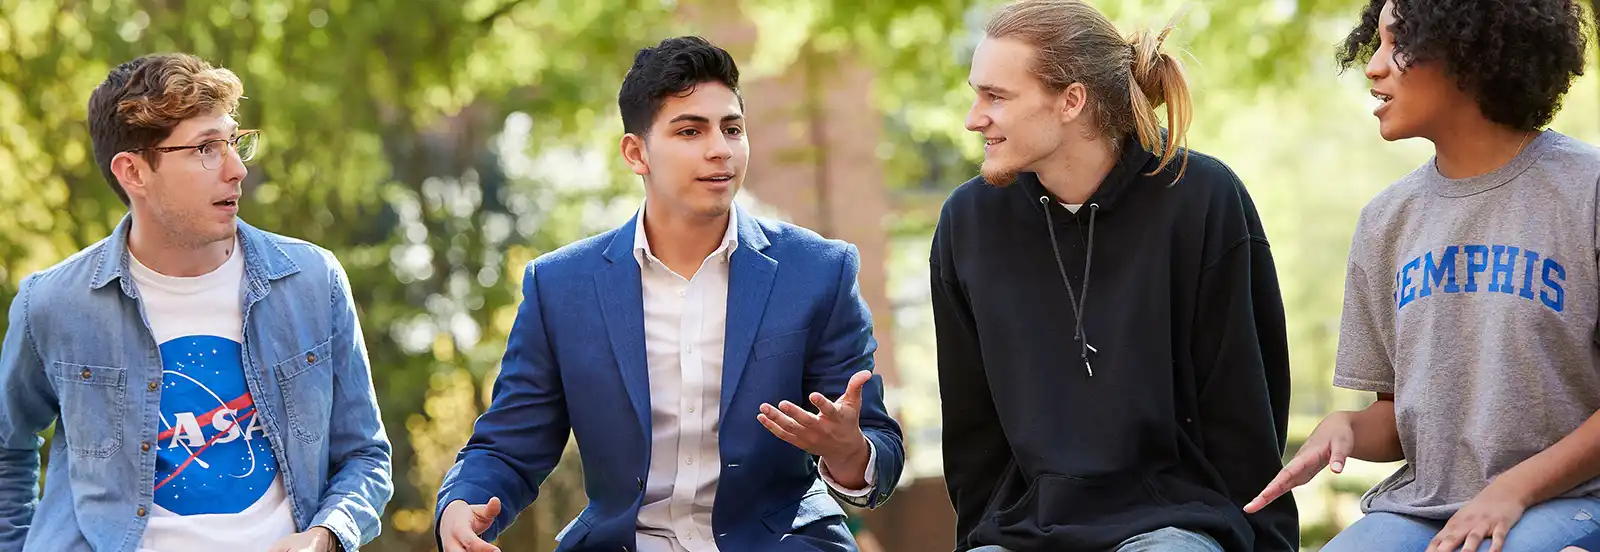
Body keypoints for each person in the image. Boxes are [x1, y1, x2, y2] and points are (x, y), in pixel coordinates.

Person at [433, 36, 905, 552]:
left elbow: (878, 447)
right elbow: (508, 444)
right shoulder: (561, 287)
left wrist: (849, 450)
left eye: (732, 129)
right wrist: (461, 506)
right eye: (689, 130)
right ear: (637, 153)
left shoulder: (818, 271)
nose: (719, 149)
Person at [930, 1, 1299, 550]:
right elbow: (971, 427)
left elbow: (1243, 402)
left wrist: (1262, 539)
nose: (973, 117)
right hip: (1025, 528)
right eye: (976, 93)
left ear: (1071, 101)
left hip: (1180, 521)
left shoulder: (1202, 199)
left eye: (996, 97)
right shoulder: (967, 223)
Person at [1241, 1, 1600, 551]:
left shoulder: (1587, 190)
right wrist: (1347, 427)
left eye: (1398, 43)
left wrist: (1512, 489)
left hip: (1573, 499)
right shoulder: (1386, 220)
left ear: (1469, 48)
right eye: (1375, 43)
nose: (1373, 66)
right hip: (1425, 507)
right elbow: (1395, 415)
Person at [0, 53, 393, 552]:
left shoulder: (313, 282)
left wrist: (327, 534)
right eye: (206, 148)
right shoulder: (53, 304)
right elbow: (6, 446)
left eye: (233, 141)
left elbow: (365, 455)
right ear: (134, 172)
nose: (236, 170)